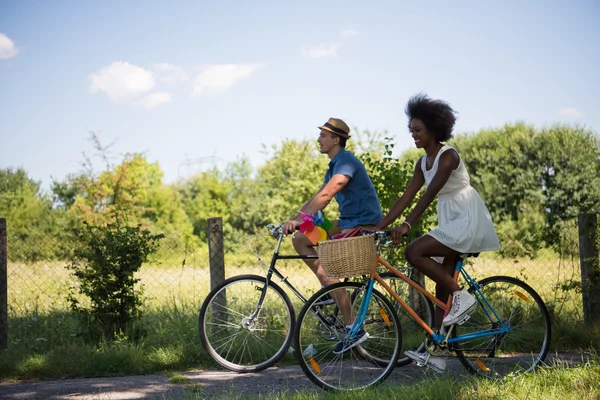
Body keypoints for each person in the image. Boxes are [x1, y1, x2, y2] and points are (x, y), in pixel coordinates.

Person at [374, 94, 500, 372]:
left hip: (467, 219)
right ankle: (436, 353)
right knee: (439, 293)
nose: (413, 135)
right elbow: (407, 196)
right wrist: (379, 226)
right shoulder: (422, 163)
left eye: (418, 130)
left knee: (413, 251)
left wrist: (407, 225)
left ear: (433, 129)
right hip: (451, 222)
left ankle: (463, 296)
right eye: (411, 131)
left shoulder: (448, 156)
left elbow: (428, 195)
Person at [282, 117, 383, 353]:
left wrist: (298, 221)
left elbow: (327, 195)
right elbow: (317, 198)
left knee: (327, 265)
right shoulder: (334, 165)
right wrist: (296, 221)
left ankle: (352, 325)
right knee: (301, 237)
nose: (318, 139)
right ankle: (329, 291)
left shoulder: (346, 162)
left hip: (362, 224)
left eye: (323, 135)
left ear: (336, 139)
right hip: (346, 222)